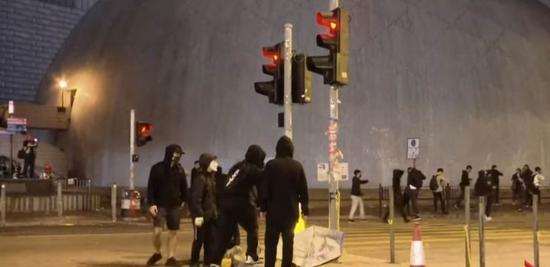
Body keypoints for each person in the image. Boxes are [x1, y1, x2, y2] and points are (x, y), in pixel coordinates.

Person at [211, 145, 266, 267]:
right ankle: (251, 256)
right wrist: (263, 206)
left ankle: (215, 262)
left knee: (223, 235)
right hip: (241, 202)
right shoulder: (253, 169)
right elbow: (262, 188)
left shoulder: (237, 166)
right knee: (252, 228)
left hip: (225, 203)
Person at [260, 136, 309, 267]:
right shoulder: (297, 166)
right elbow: (303, 190)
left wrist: (263, 208)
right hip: (291, 212)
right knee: (288, 243)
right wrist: (305, 210)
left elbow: (264, 188)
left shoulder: (271, 165)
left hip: (273, 212)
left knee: (270, 242)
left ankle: (269, 265)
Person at [146, 144, 188, 267]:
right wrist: (151, 203)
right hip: (160, 205)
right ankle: (157, 252)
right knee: (157, 231)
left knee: (173, 232)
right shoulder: (157, 168)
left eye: (180, 154)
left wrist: (184, 200)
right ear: (169, 154)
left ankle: (171, 257)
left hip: (174, 205)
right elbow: (151, 187)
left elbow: (184, 187)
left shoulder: (179, 170)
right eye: (176, 154)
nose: (178, 157)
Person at [190, 153, 219, 267]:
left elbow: (212, 198)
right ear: (207, 163)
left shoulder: (211, 178)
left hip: (210, 216)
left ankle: (207, 263)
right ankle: (194, 262)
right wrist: (200, 215)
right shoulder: (200, 179)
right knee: (199, 240)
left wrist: (215, 213)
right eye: (214, 161)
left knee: (210, 241)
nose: (217, 164)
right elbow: (196, 199)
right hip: (201, 216)